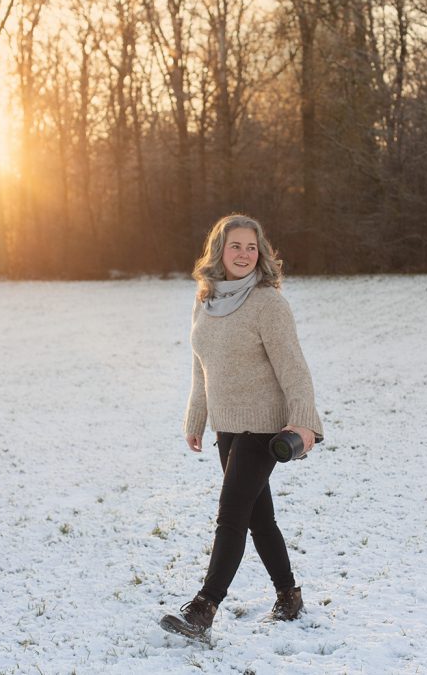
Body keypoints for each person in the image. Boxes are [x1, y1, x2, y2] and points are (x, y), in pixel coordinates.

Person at [159, 214, 324, 640]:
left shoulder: (268, 303)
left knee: (230, 516)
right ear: (219, 250)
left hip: (264, 429)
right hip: (227, 426)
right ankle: (289, 596)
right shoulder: (206, 298)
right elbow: (201, 366)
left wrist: (303, 422)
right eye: (236, 246)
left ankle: (203, 608)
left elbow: (295, 368)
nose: (245, 254)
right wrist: (197, 417)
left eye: (252, 247)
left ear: (261, 253)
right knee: (258, 518)